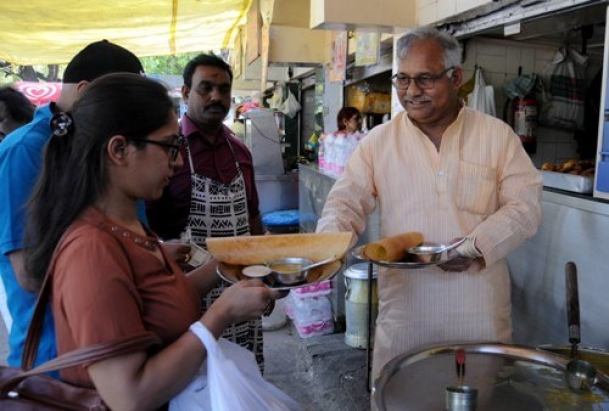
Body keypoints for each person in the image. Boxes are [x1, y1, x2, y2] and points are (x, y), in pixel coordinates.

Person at [24, 73, 280, 410]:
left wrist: (235, 261)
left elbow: (166, 303)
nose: (176, 161)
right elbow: (129, 395)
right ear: (120, 150)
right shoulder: (91, 249)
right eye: (170, 146)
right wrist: (219, 316)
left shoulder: (129, 226)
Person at [316, 27, 542, 389]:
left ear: (456, 78)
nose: (411, 91)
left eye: (424, 79)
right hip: (407, 313)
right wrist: (323, 251)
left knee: (481, 399)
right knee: (403, 397)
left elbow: (525, 206)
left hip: (478, 311)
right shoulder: (379, 143)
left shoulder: (497, 136)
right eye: (402, 79)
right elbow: (345, 202)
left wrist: (475, 245)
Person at [0, 40, 145, 370]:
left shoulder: (106, 146)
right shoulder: (24, 150)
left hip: (117, 344)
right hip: (55, 362)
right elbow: (29, 274)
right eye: (123, 105)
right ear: (84, 92)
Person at [145, 54, 267, 370]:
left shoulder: (240, 151)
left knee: (242, 382)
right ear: (186, 93)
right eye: (206, 88)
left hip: (242, 294)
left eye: (223, 89)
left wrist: (264, 274)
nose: (216, 97)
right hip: (188, 300)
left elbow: (253, 220)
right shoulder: (169, 150)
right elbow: (148, 232)